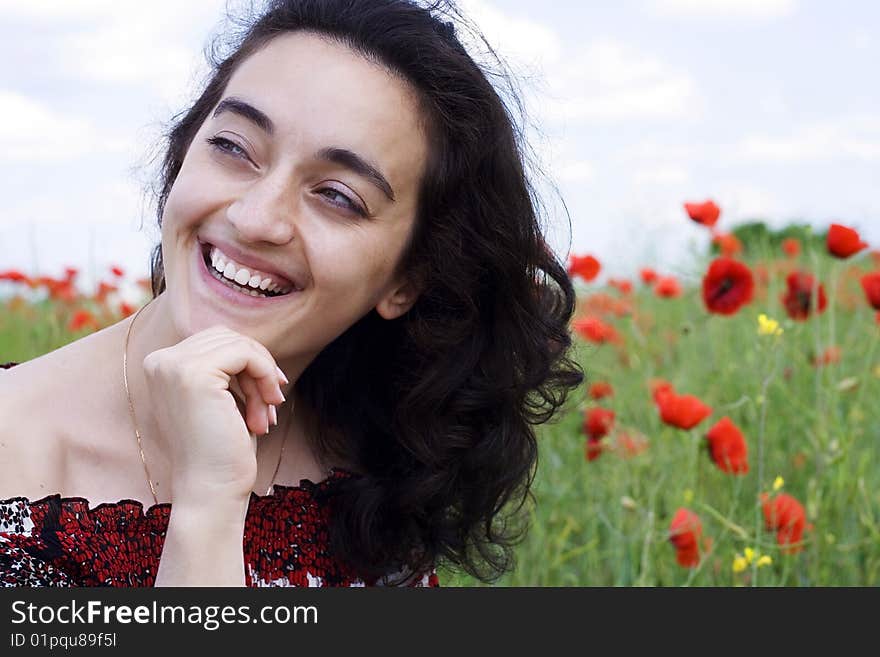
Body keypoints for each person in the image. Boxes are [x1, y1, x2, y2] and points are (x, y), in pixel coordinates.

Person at [0, 0, 583, 587]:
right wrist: (207, 508)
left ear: (407, 280)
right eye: (232, 146)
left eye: (337, 195)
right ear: (183, 155)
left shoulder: (376, 466)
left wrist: (214, 499)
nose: (255, 219)